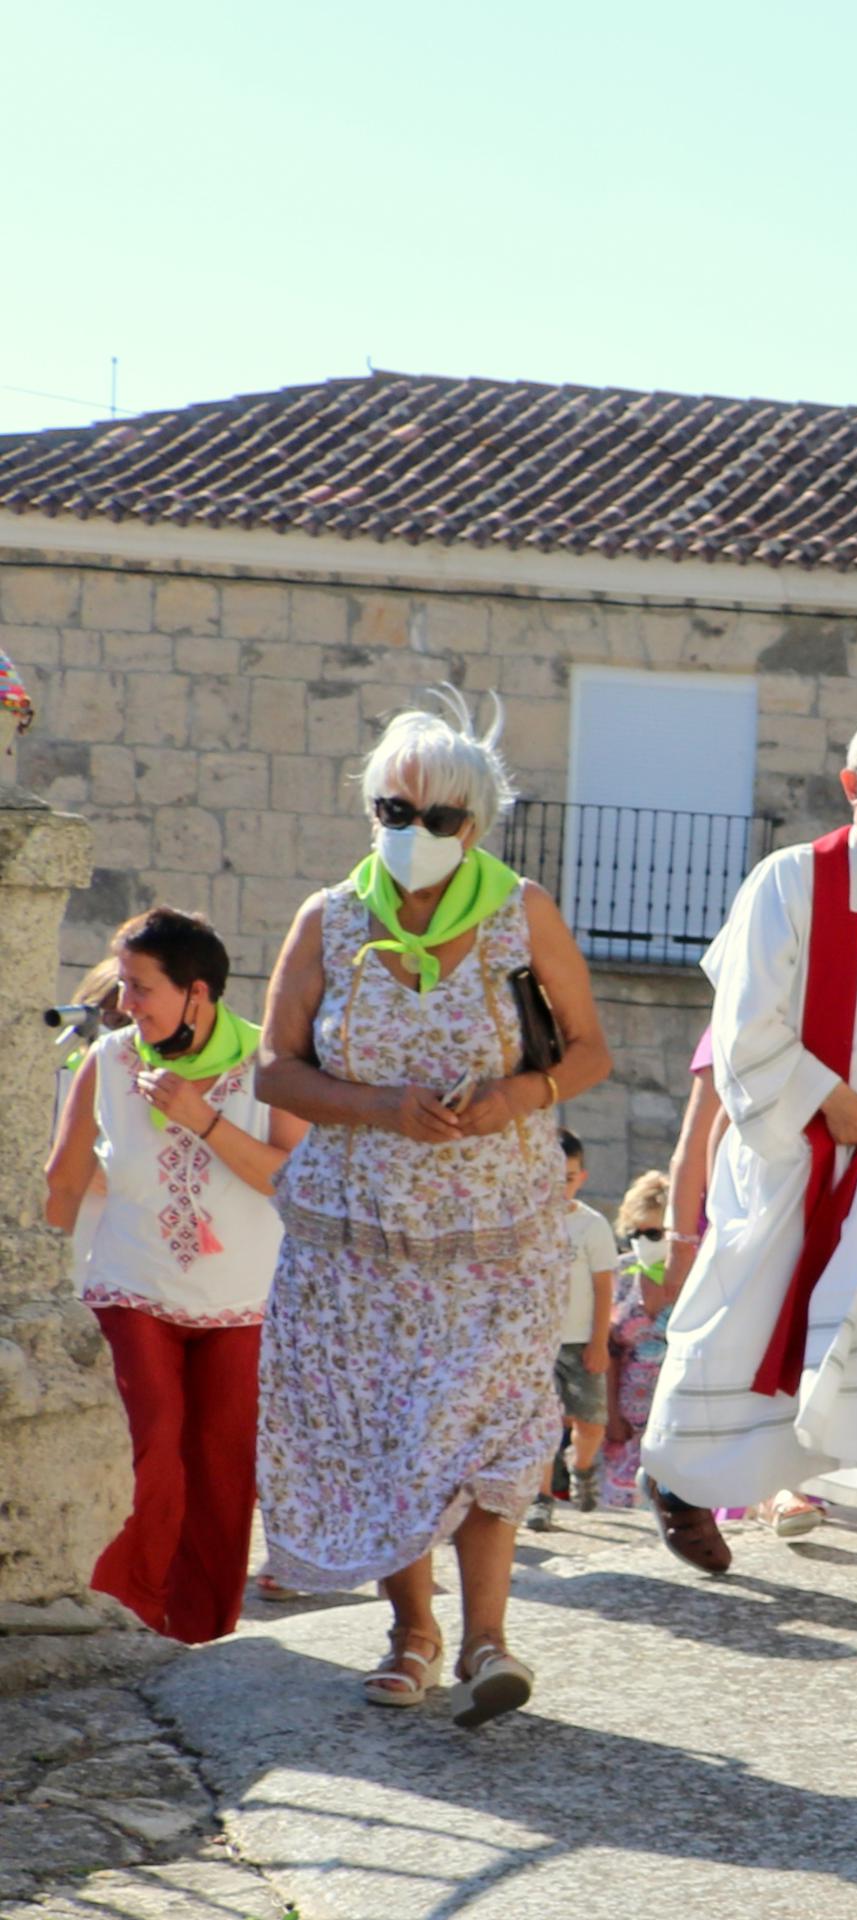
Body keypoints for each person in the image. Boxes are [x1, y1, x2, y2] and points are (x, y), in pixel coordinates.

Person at [255, 696, 611, 1725]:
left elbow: (589, 1047)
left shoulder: (521, 911)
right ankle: (413, 1631)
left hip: (497, 1232)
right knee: (387, 1437)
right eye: (392, 807)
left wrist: (516, 1095)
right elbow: (275, 1068)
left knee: (485, 1427)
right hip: (356, 1239)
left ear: (478, 821)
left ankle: (489, 1636)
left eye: (437, 815)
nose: (411, 830)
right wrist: (374, 1107)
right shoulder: (328, 917)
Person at [640, 706, 857, 1609]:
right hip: (797, 1157)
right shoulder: (787, 882)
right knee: (744, 1331)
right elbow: (745, 1027)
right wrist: (830, 1100)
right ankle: (680, 1483)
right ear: (855, 785)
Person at [40, 907, 307, 1644]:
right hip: (131, 1289)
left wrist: (202, 1119)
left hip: (243, 1302)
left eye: (139, 987)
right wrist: (39, 1294)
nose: (124, 1004)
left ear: (197, 992)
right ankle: (128, 1621)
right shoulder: (109, 1060)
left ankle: (199, 1637)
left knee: (223, 1476)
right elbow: (63, 1182)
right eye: (123, 985)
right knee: (151, 1449)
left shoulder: (272, 1066)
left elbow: (290, 1179)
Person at [531, 1131, 619, 1529]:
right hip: (534, 1344)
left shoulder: (591, 1226)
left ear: (580, 1178)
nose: (556, 1187)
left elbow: (604, 1286)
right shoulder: (524, 1221)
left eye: (565, 1179)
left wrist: (599, 1341)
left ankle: (582, 1466)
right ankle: (541, 1498)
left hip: (581, 1339)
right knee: (540, 1423)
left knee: (590, 1420)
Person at [600, 1170, 676, 1511]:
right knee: (626, 1510)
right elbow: (608, 1350)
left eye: (655, 1232)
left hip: (681, 1420)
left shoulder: (696, 1274)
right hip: (629, 1426)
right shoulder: (619, 1273)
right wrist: (611, 1415)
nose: (645, 1241)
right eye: (636, 1232)